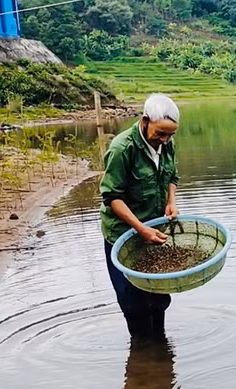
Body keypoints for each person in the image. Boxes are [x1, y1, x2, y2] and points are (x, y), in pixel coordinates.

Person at [100, 94, 180, 342]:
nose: (165, 140)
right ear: (145, 121)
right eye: (161, 133)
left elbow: (172, 177)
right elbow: (112, 197)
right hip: (122, 235)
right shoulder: (122, 149)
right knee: (133, 302)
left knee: (158, 299)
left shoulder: (167, 144)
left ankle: (159, 358)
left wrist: (170, 203)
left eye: (170, 135)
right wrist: (140, 230)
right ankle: (143, 351)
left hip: (154, 232)